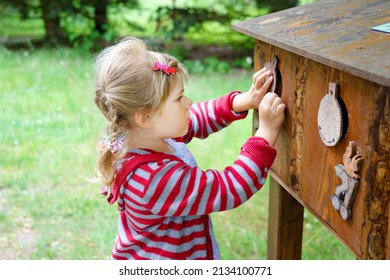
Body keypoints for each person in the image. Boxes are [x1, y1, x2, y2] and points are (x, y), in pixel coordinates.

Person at [94, 37, 286, 260]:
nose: (189, 103)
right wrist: (266, 133)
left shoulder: (141, 136)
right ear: (146, 116)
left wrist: (245, 100)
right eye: (179, 98)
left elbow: (197, 118)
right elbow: (228, 188)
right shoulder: (153, 179)